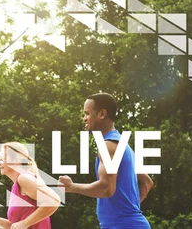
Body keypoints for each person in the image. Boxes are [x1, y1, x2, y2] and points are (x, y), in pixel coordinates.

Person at [58, 93, 154, 229]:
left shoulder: (108, 146)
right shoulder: (122, 145)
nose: (84, 119)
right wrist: (128, 211)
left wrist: (71, 187)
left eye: (87, 114)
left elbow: (106, 187)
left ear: (102, 114)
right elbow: (146, 182)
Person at [0, 142, 60, 229]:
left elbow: (53, 201)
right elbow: (15, 226)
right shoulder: (17, 185)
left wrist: (24, 223)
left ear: (16, 160)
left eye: (2, 159)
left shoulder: (24, 178)